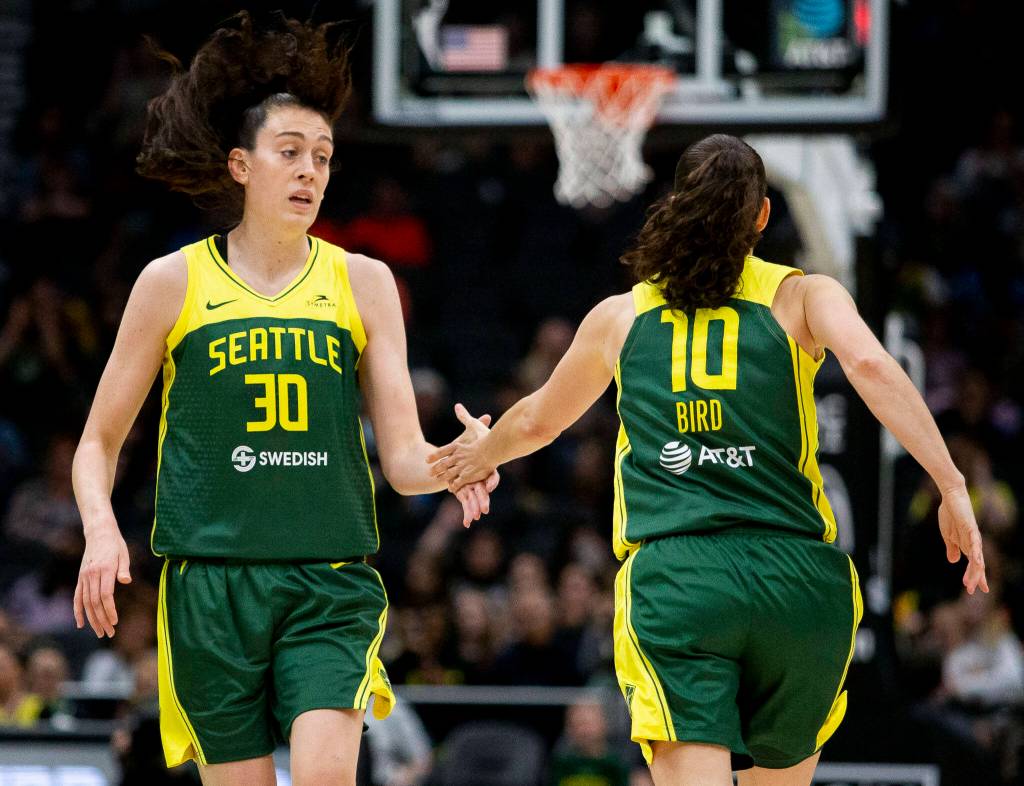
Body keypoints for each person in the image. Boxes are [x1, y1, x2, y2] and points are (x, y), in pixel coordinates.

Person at [429, 134, 989, 786]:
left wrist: (476, 455)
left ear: (677, 205)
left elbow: (539, 419)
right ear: (762, 217)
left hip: (683, 580)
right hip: (799, 584)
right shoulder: (802, 296)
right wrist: (950, 485)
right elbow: (869, 364)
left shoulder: (622, 317)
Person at [71, 12, 496, 786]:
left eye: (323, 158)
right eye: (290, 153)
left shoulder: (362, 281)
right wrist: (102, 534)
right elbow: (98, 444)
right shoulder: (172, 283)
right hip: (210, 586)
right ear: (240, 165)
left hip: (326, 580)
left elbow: (402, 460)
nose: (310, 172)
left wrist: (460, 462)